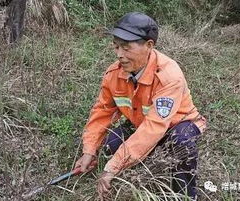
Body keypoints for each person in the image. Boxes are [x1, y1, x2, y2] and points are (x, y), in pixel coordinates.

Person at [74, 12, 206, 200]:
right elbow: (102, 112)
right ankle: (136, 172)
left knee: (181, 143)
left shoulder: (169, 76)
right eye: (116, 46)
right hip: (140, 122)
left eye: (126, 48)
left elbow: (154, 127)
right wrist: (89, 150)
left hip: (178, 124)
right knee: (112, 144)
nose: (120, 55)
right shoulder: (113, 74)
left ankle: (183, 195)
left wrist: (113, 167)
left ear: (149, 45)